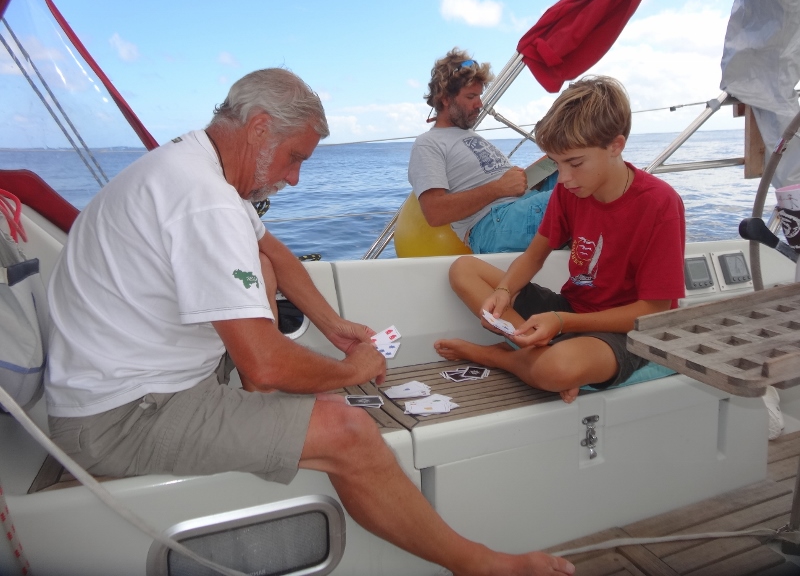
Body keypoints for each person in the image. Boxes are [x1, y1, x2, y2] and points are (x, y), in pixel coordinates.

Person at [44, 68, 575, 576]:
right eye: (294, 157)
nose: (295, 179)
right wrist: (351, 371)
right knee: (349, 430)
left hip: (137, 383)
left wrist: (335, 325)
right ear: (258, 128)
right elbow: (265, 363)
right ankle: (477, 564)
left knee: (263, 264)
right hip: (122, 417)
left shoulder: (193, 166)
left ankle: (266, 405)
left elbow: (277, 254)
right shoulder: (205, 201)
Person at [435, 76, 685, 404]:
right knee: (464, 269)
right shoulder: (570, 191)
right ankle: (536, 352)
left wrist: (562, 322)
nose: (563, 178)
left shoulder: (660, 203)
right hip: (570, 311)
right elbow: (534, 257)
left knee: (558, 368)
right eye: (557, 164)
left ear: (615, 146)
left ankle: (501, 357)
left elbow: (653, 312)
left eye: (575, 163)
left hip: (628, 330)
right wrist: (503, 292)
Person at [408, 48, 554, 254]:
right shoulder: (428, 143)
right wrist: (499, 188)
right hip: (492, 224)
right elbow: (434, 212)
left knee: (590, 173)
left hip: (523, 203)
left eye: (479, 95)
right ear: (445, 99)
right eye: (471, 96)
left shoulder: (470, 136)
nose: (479, 104)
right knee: (577, 198)